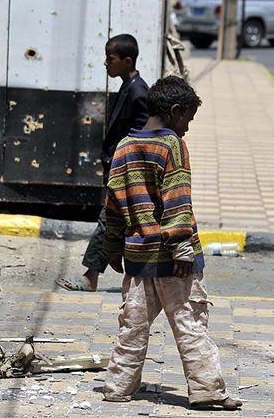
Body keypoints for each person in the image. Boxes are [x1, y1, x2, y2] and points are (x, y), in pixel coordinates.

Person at [100, 76, 242, 411]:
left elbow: (113, 204)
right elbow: (177, 200)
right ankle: (207, 390)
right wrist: (182, 250)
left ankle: (118, 386)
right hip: (173, 260)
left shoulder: (123, 146)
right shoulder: (172, 146)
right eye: (188, 119)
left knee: (132, 326)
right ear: (175, 111)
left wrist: (112, 248)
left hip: (137, 257)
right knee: (190, 324)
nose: (187, 128)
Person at [57, 34, 149, 292]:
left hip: (127, 170)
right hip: (119, 168)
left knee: (108, 219)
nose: (106, 63)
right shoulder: (128, 87)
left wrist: (124, 166)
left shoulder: (138, 92)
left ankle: (91, 275)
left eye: (111, 58)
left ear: (127, 61)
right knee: (117, 221)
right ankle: (126, 270)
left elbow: (141, 135)